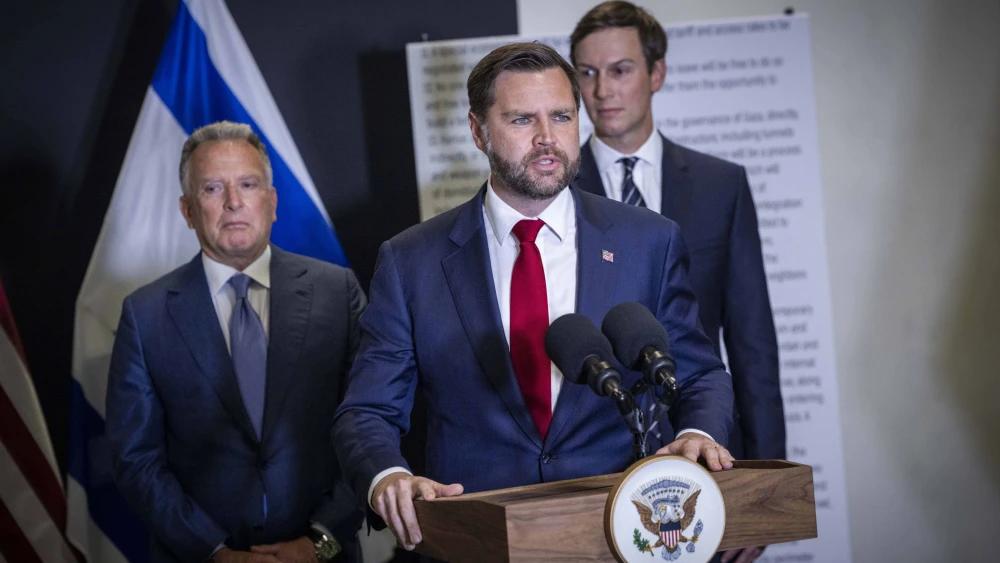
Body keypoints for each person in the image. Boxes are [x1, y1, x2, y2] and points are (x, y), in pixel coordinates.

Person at [333, 42, 735, 554]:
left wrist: (698, 432)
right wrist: (388, 476)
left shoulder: (648, 242)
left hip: (617, 536)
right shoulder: (410, 261)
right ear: (478, 131)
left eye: (563, 117)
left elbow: (699, 374)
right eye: (522, 120)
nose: (548, 139)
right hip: (476, 542)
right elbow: (366, 411)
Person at [570, 4, 786, 562]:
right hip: (587, 457)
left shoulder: (720, 185)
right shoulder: (554, 191)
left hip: (701, 451)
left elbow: (752, 343)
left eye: (619, 70)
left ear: (656, 74)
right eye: (586, 73)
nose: (602, 90)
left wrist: (761, 493)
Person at [105, 121, 364, 563]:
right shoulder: (145, 316)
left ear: (273, 201)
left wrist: (320, 540)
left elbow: (371, 424)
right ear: (187, 210)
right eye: (212, 189)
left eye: (248, 183)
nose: (233, 202)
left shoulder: (336, 292)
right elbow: (137, 460)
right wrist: (214, 553)